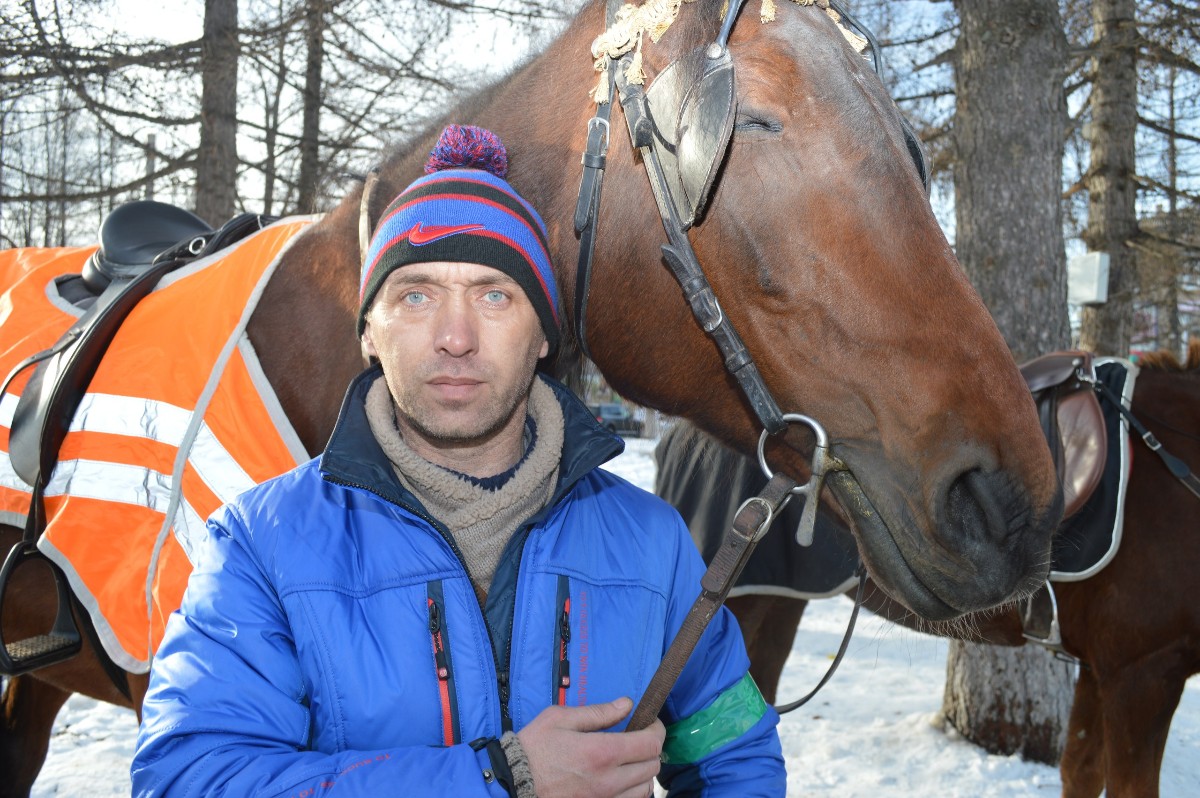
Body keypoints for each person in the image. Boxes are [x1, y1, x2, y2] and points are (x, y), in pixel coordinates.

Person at [131, 125, 784, 797]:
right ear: (370, 334)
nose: (455, 338)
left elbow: (736, 751)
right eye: (415, 295)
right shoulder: (259, 544)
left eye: (494, 295)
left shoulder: (655, 545)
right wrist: (500, 779)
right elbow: (188, 778)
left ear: (541, 337)